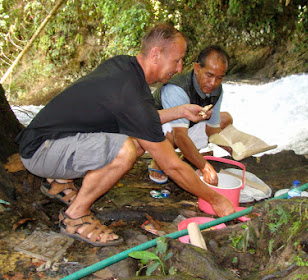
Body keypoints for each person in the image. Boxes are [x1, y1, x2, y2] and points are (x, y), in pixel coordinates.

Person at [15, 23, 236, 247]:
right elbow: (172, 165)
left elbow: (140, 116)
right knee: (126, 150)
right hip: (41, 151)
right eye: (176, 60)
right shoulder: (132, 94)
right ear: (156, 54)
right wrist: (215, 198)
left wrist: (179, 111)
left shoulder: (124, 67)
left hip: (48, 140)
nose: (179, 68)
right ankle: (75, 216)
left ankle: (59, 181)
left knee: (136, 143)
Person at [151, 45, 232, 186]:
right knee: (171, 134)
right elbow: (180, 136)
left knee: (226, 119)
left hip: (185, 126)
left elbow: (213, 128)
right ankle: (158, 161)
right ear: (197, 68)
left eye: (219, 78)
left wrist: (225, 144)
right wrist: (205, 167)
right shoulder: (176, 88)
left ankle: (186, 157)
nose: (213, 83)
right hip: (154, 130)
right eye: (209, 75)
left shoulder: (217, 90)